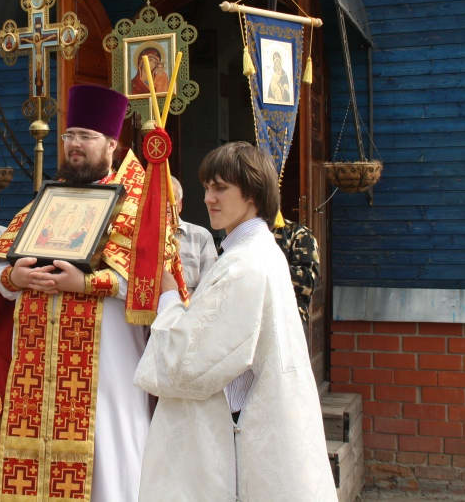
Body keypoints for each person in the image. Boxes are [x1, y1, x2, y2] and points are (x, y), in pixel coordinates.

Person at [134, 142, 336, 501]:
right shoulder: (250, 252)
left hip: (241, 430)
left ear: (253, 194)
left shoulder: (245, 264)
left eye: (221, 188)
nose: (209, 198)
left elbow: (187, 364)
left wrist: (168, 297)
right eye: (207, 187)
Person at [0, 84, 158, 501]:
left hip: (107, 365)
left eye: (86, 137)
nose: (74, 145)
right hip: (36, 368)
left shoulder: (139, 206)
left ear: (112, 144)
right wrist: (15, 278)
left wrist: (87, 283)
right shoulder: (44, 202)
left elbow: (152, 282)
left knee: (107, 458)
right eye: (69, 136)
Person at [170, 174, 218, 292]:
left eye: (172, 199)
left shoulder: (201, 236)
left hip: (190, 308)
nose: (167, 204)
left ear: (180, 205)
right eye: (160, 199)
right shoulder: (138, 237)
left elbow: (210, 287)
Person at [274, 217, 319, 324]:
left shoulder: (298, 233)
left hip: (288, 324)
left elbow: (308, 282)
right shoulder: (237, 233)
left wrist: (270, 268)